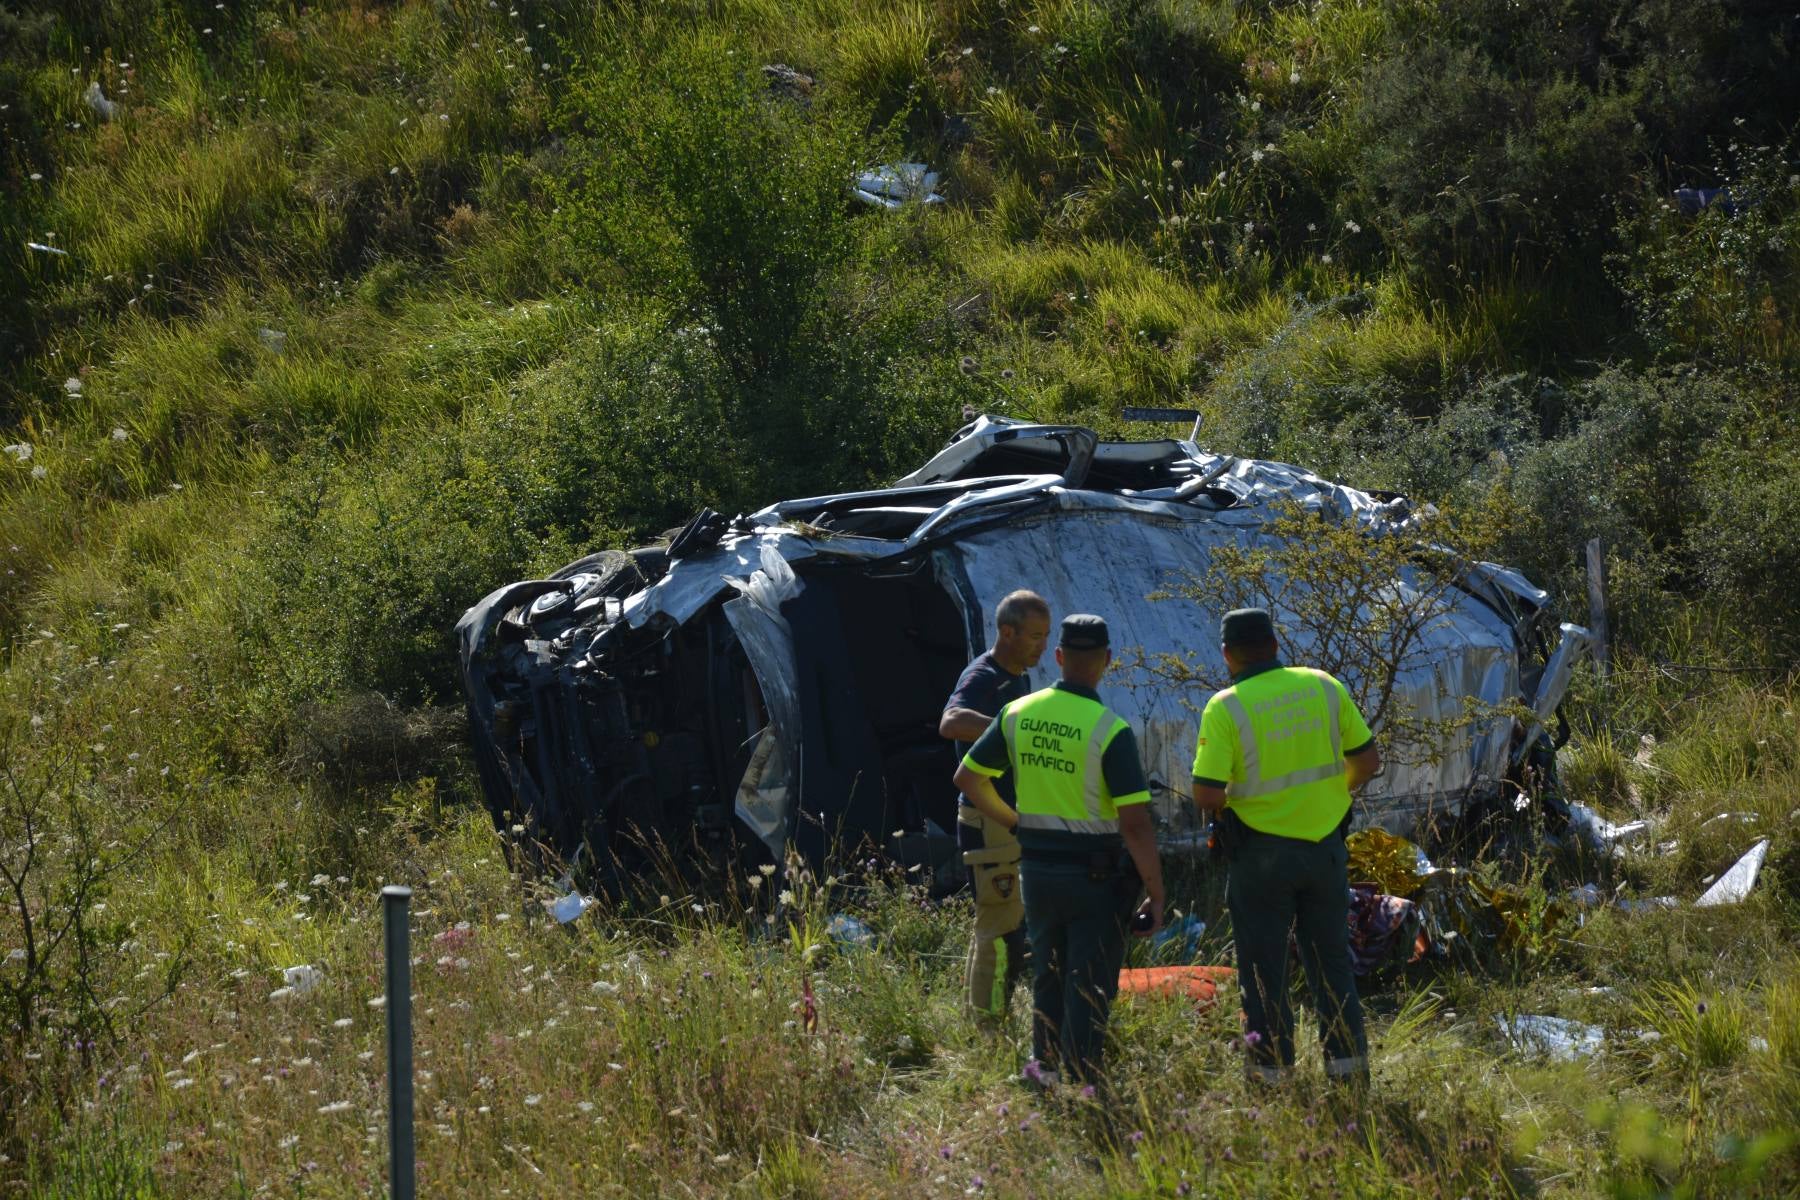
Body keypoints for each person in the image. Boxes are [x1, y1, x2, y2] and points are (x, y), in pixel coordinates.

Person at [954, 614, 1166, 1088]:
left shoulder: (1017, 713)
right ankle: (1083, 1080)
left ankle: (1043, 1072)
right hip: (1096, 878)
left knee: (1048, 972)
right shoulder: (1110, 730)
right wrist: (1155, 889)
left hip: (1038, 871)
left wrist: (1014, 820)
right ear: (1107, 662)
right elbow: (1134, 824)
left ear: (1058, 658)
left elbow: (968, 779)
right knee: (1089, 978)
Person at [1190, 608, 1381, 1088]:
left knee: (1263, 972)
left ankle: (1273, 1078)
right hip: (1326, 849)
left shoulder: (1226, 706)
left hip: (1261, 859)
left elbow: (1207, 794)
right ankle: (1350, 1077)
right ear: (1275, 645)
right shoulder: (1322, 684)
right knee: (1332, 964)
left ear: (1227, 655)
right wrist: (1334, 799)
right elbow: (1367, 760)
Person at [940, 590, 1051, 1024]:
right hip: (986, 819)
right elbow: (951, 722)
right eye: (1035, 636)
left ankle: (979, 1017)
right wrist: (1007, 731)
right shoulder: (984, 676)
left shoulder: (1018, 675)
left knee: (996, 922)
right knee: (1001, 929)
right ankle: (988, 1028)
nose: (1043, 646)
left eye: (1046, 636)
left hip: (1005, 818)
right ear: (1007, 632)